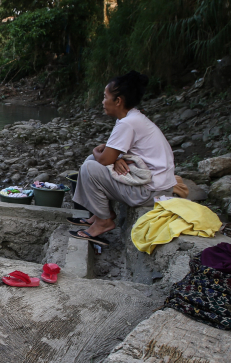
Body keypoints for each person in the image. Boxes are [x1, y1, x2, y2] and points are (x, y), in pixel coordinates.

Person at [70, 71, 176, 244]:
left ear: (118, 101)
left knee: (90, 166)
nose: (103, 102)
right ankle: (101, 214)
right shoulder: (132, 118)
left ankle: (104, 222)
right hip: (152, 185)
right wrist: (112, 157)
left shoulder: (128, 123)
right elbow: (110, 154)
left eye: (105, 97)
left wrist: (98, 151)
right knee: (91, 160)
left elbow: (104, 158)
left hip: (150, 192)